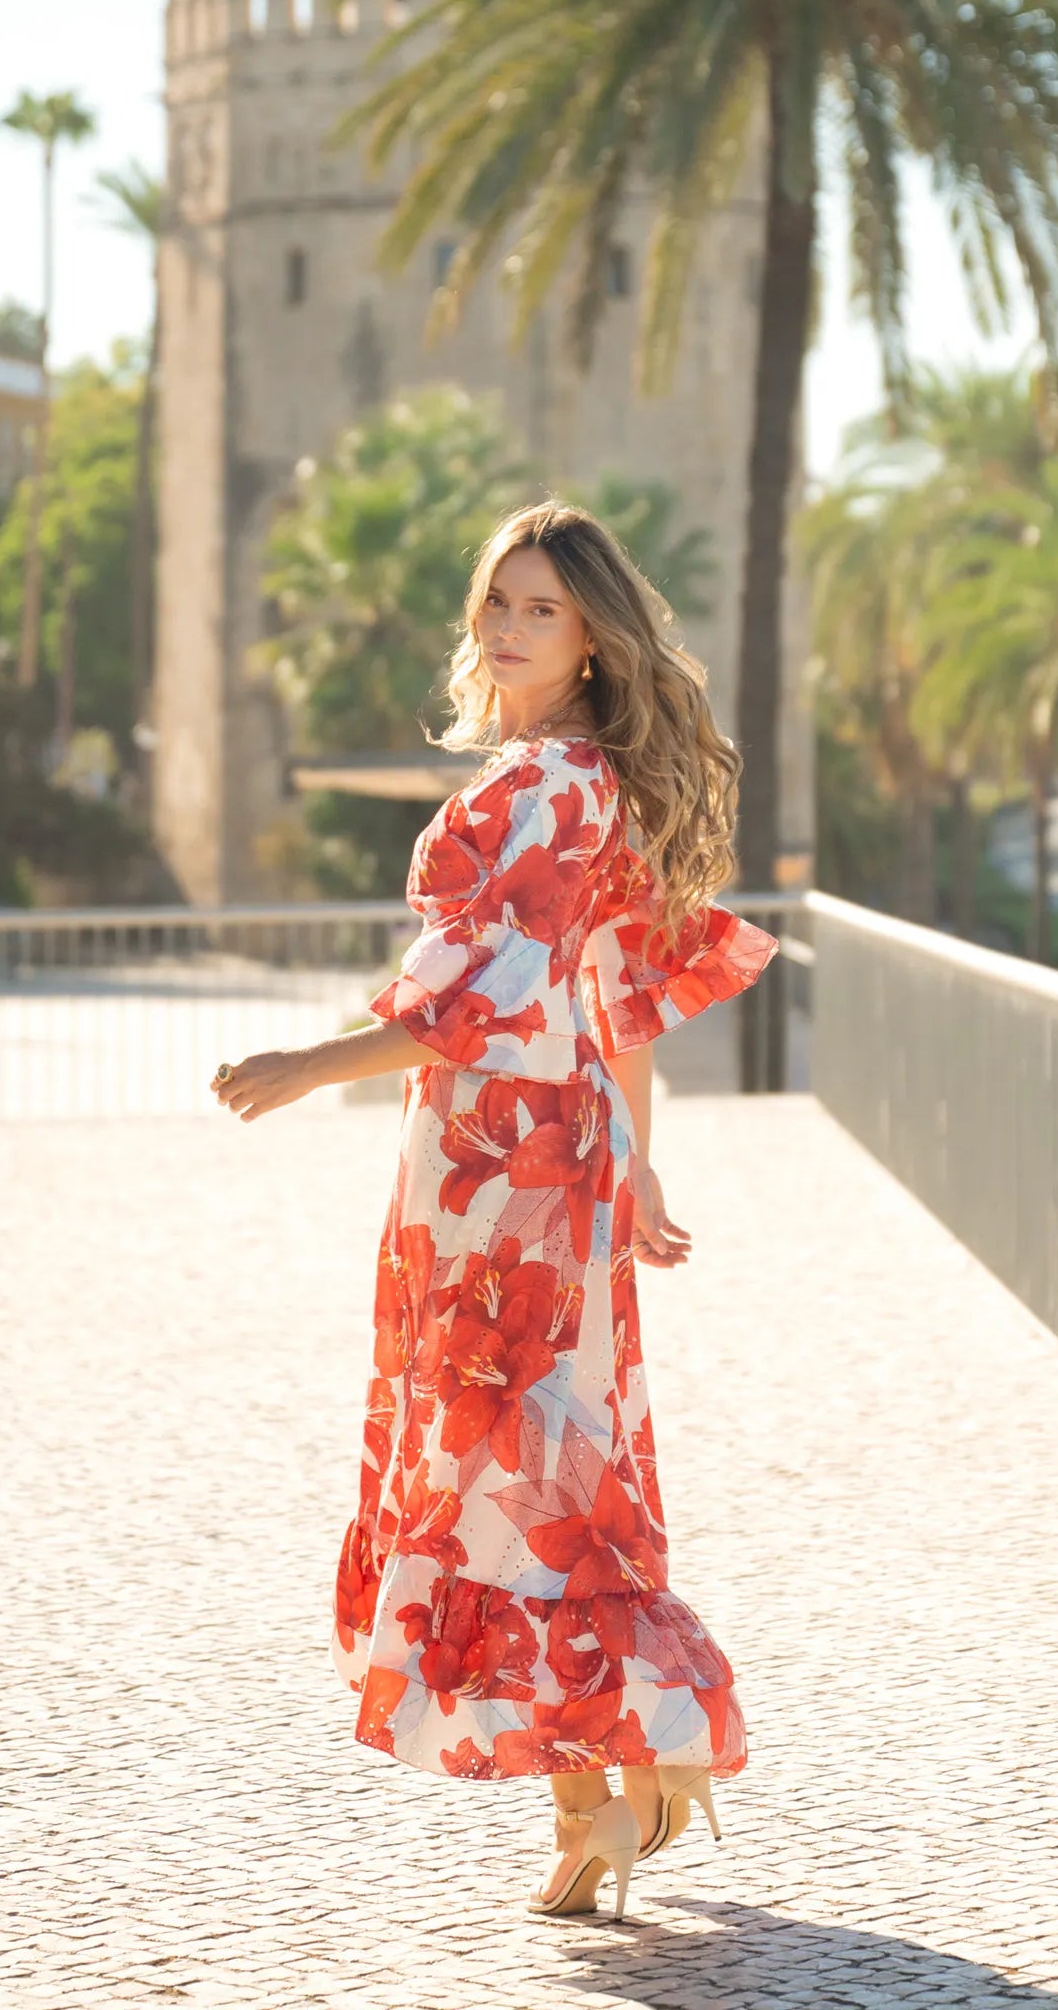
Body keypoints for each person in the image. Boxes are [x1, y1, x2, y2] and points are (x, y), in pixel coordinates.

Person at [212, 502, 776, 1923]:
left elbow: (479, 1004)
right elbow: (619, 990)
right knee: (537, 1465)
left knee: (493, 1465)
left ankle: (628, 1771)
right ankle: (608, 1792)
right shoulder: (587, 784)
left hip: (497, 1161)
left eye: (539, 608)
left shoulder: (544, 788)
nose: (506, 628)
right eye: (496, 603)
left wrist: (302, 1066)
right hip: (538, 1149)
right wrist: (635, 1162)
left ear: (593, 639)